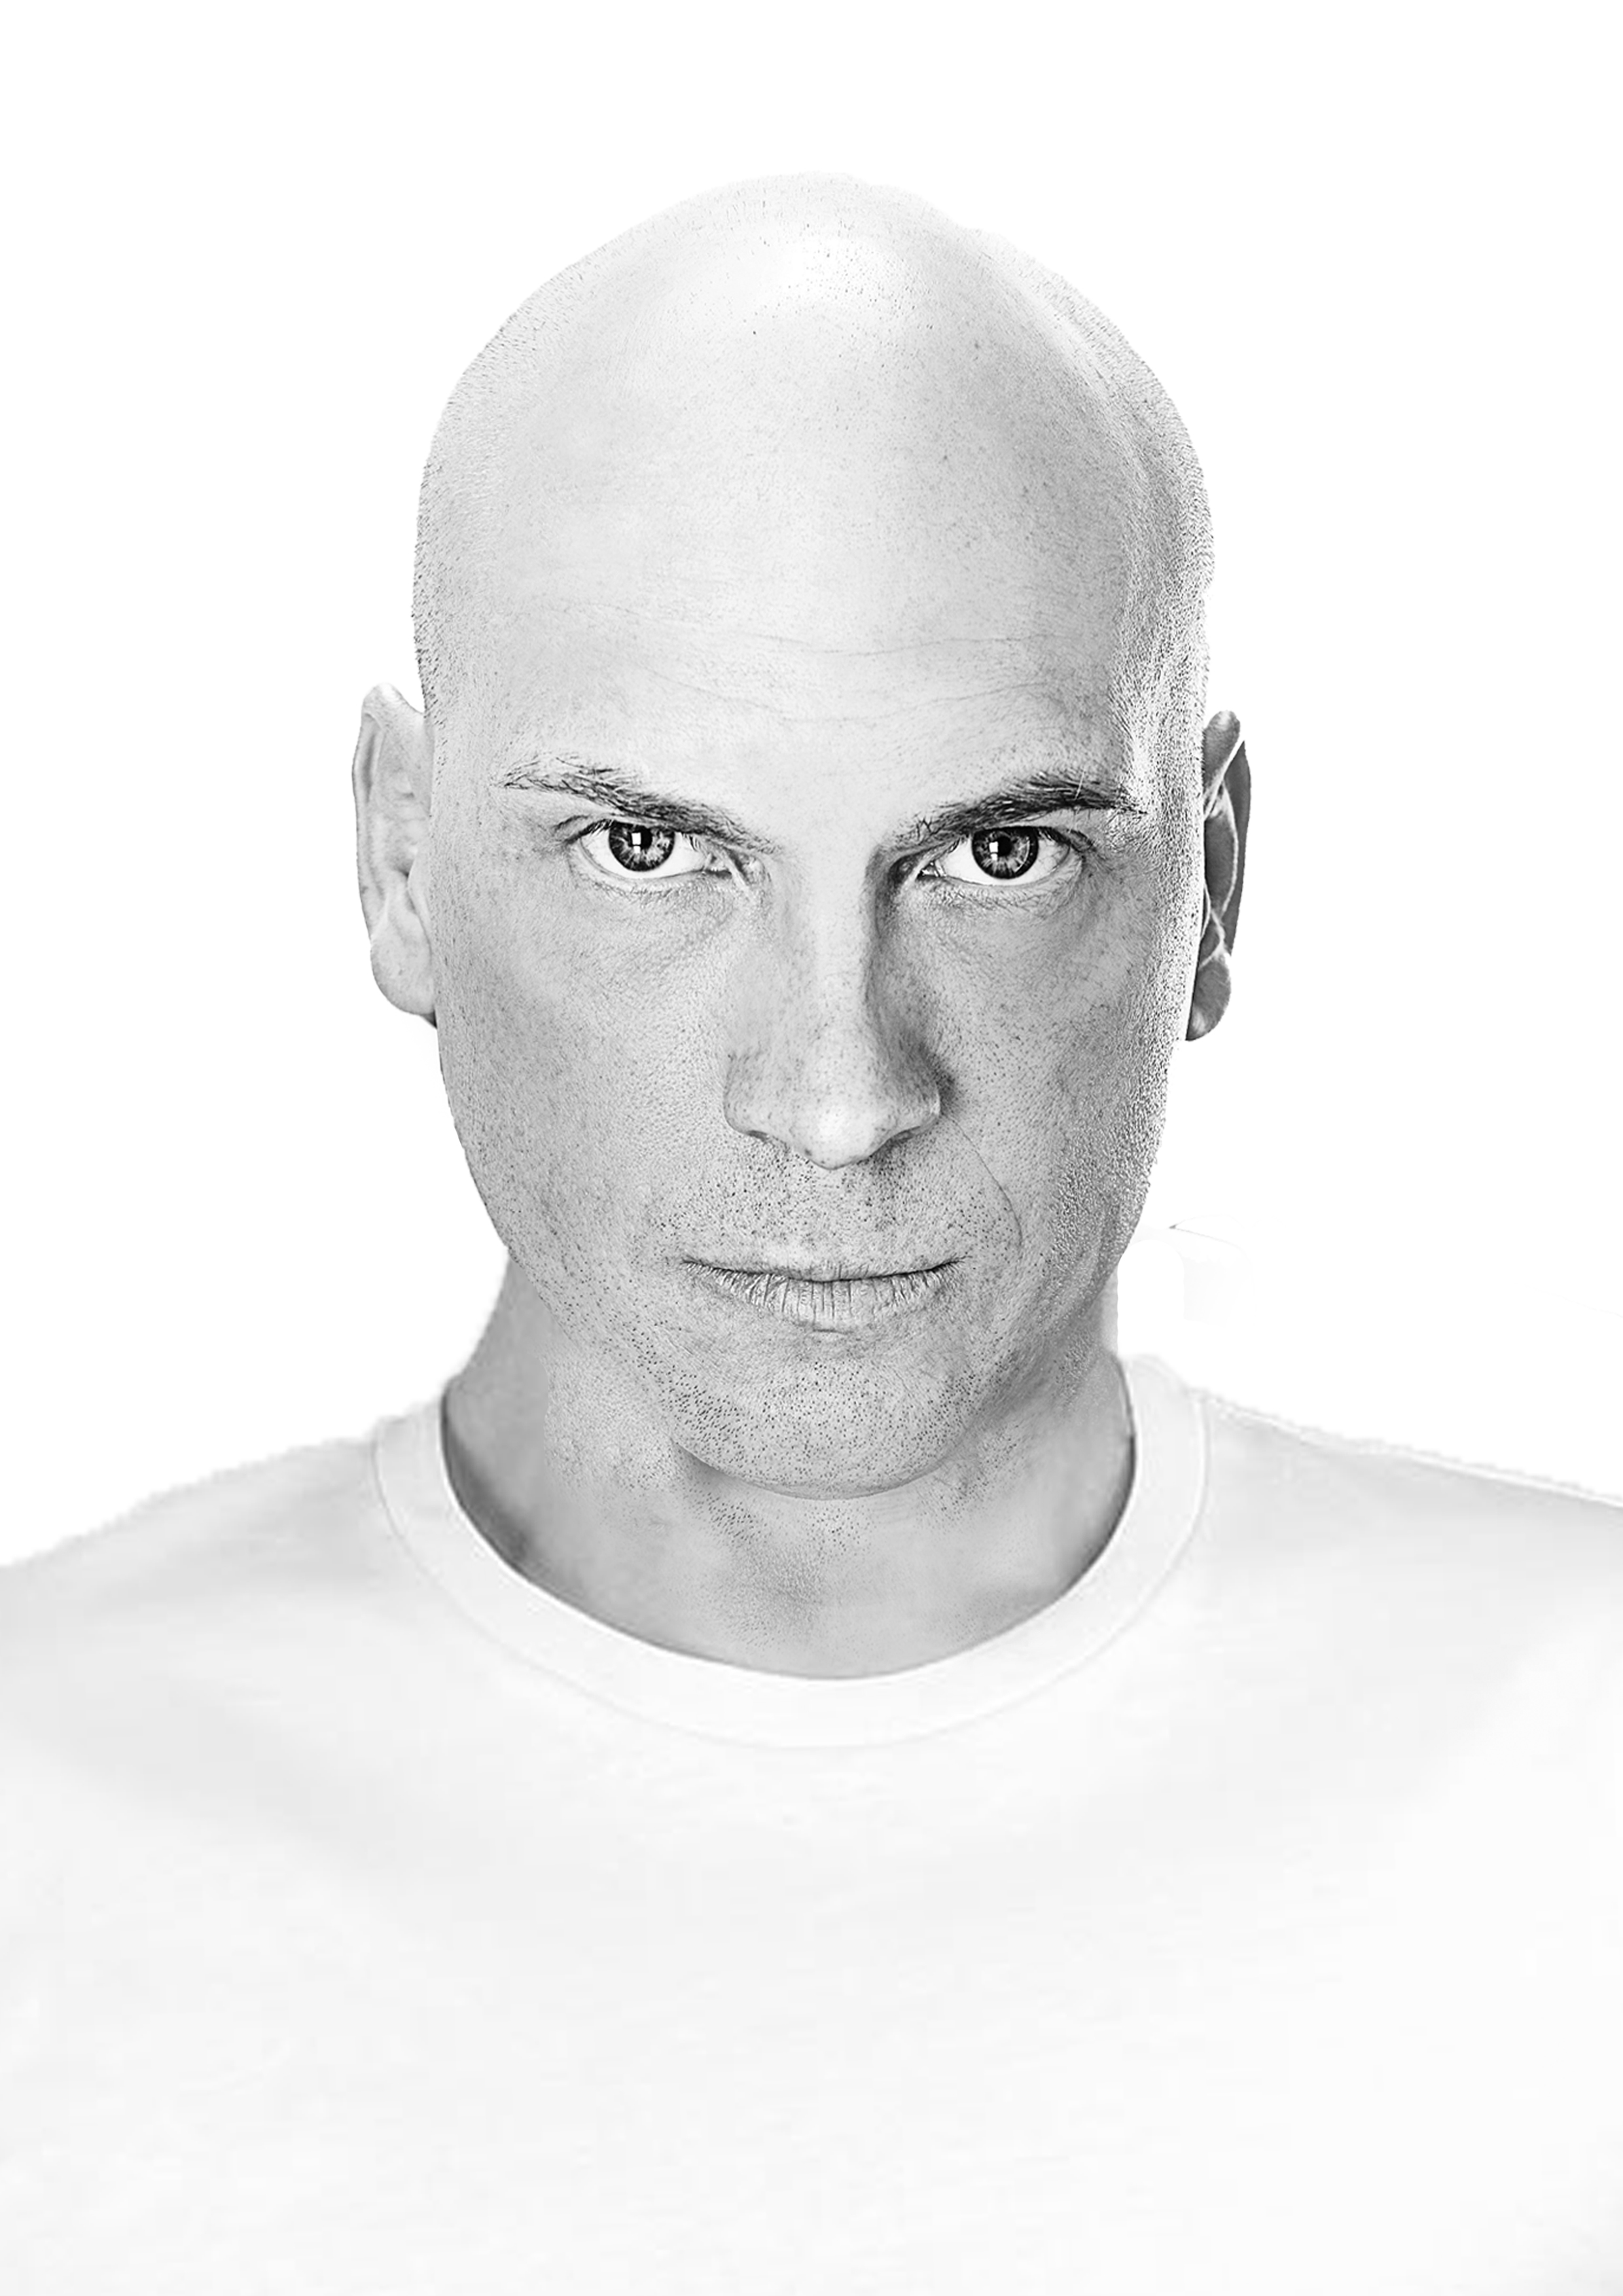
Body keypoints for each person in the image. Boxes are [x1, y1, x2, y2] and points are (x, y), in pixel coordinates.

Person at [3, 173, 1620, 2293]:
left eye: (998, 853)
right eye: (649, 848)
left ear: (1214, 881)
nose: (841, 1094)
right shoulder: (43, 1807)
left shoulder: (1580, 1766)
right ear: (399, 864)